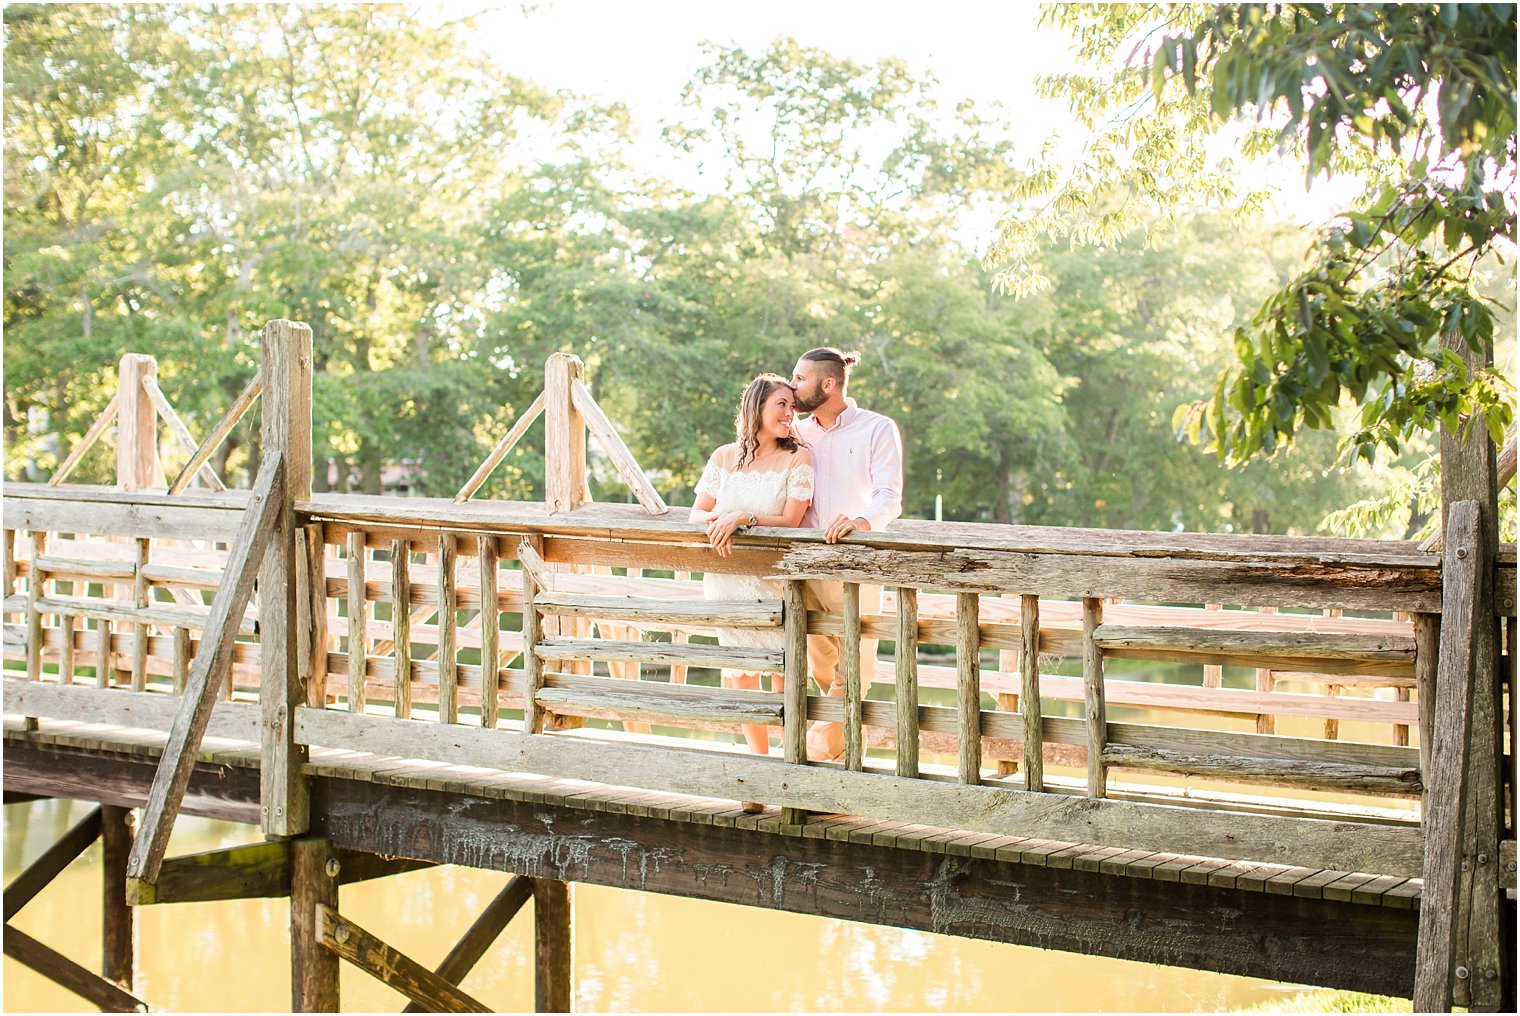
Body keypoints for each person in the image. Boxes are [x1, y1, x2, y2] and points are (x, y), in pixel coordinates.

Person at [689, 374, 815, 806]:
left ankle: (788, 771)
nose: (789, 414)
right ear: (756, 408)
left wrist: (744, 517)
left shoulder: (799, 459)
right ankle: (756, 774)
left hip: (771, 578)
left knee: (781, 672)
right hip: (725, 578)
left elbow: (794, 522)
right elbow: (696, 513)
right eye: (781, 405)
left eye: (792, 407)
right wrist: (720, 522)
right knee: (740, 674)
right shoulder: (724, 456)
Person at [789, 347, 904, 762]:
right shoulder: (796, 432)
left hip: (856, 563)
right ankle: (845, 762)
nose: (793, 385)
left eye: (800, 378)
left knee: (858, 667)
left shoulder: (877, 429)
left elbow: (889, 496)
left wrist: (861, 522)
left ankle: (825, 749)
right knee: (822, 668)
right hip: (804, 562)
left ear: (829, 383)